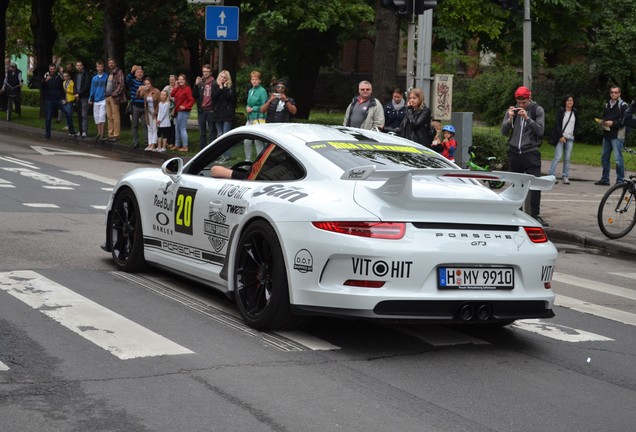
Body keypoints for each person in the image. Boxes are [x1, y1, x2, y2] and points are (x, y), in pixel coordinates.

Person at [501, 85, 547, 226]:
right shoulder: (512, 111)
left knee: (535, 185)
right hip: (515, 152)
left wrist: (527, 118)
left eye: (524, 103)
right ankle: (517, 213)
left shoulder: (537, 110)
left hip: (530, 152)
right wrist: (509, 120)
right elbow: (503, 132)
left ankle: (535, 215)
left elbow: (540, 131)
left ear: (529, 98)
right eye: (519, 103)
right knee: (516, 185)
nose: (521, 105)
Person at [594, 86, 629, 185]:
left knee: (618, 159)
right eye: (612, 92)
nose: (614, 94)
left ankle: (620, 180)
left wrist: (612, 123)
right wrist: (603, 122)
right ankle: (605, 179)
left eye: (616, 92)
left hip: (617, 136)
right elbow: (605, 116)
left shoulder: (623, 105)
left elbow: (624, 121)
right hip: (607, 134)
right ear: (610, 93)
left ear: (619, 93)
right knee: (604, 157)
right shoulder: (607, 104)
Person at [549, 94, 578, 185]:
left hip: (570, 138)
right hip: (560, 137)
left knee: (567, 158)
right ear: (565, 102)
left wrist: (574, 133)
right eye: (568, 100)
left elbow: (577, 123)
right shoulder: (561, 111)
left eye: (571, 100)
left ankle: (565, 176)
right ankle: (551, 176)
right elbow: (557, 124)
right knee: (558, 157)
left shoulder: (575, 112)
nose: (570, 102)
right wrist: (560, 136)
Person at [244, 70, 268, 160]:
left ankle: (260, 162)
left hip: (259, 118)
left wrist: (254, 108)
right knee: (246, 140)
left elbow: (264, 105)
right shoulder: (250, 90)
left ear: (259, 80)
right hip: (250, 118)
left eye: (256, 79)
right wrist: (247, 107)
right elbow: (248, 103)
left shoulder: (262, 91)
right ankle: (247, 161)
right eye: (252, 79)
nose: (254, 81)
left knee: (258, 141)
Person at [41, 64, 67, 140]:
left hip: (58, 98)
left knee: (67, 111)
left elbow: (62, 86)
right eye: (51, 69)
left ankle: (71, 129)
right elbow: (41, 85)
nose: (52, 70)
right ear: (49, 69)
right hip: (49, 99)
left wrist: (63, 98)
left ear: (55, 69)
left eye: (53, 69)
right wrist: (46, 80)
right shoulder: (46, 75)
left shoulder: (58, 76)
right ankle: (47, 134)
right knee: (48, 117)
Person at [192, 64, 216, 149]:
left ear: (210, 72)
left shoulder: (214, 83)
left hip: (210, 110)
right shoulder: (200, 82)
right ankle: (202, 150)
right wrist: (195, 85)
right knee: (202, 132)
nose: (205, 73)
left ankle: (212, 150)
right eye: (204, 71)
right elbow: (194, 95)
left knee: (212, 132)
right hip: (201, 110)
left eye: (207, 71)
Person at [170, 74, 195, 152]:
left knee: (182, 128)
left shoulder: (187, 89)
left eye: (182, 79)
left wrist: (186, 106)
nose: (181, 81)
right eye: (179, 79)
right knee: (177, 128)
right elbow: (172, 94)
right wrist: (176, 86)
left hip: (183, 112)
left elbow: (192, 100)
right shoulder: (179, 88)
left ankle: (185, 146)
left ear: (185, 80)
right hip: (178, 111)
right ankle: (177, 145)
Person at [105, 58, 126, 142]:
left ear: (115, 63)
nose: (110, 64)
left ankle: (116, 134)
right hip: (107, 96)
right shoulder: (109, 73)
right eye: (109, 63)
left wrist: (115, 93)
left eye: (112, 63)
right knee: (109, 116)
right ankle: (110, 133)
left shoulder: (119, 72)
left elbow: (121, 84)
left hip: (114, 97)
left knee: (115, 116)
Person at [137, 77, 161, 151]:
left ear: (151, 84)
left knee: (154, 128)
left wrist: (156, 112)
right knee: (149, 127)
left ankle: (153, 144)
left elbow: (159, 103)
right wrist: (139, 89)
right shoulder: (145, 91)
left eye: (148, 83)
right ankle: (149, 144)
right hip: (148, 112)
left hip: (155, 112)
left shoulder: (156, 91)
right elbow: (138, 96)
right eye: (145, 84)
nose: (147, 85)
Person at [212, 69, 237, 137]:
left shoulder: (230, 87)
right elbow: (213, 97)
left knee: (225, 135)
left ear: (227, 79)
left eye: (224, 77)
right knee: (219, 134)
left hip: (227, 114)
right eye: (221, 76)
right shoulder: (215, 86)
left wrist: (225, 88)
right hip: (218, 113)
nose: (222, 78)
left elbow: (229, 97)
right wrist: (220, 88)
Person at [127, 65, 147, 149]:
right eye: (137, 72)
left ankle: (147, 142)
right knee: (134, 125)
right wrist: (132, 71)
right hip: (135, 105)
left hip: (144, 106)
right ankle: (136, 141)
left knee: (145, 125)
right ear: (135, 74)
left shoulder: (145, 83)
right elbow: (127, 80)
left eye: (141, 72)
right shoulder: (132, 82)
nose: (139, 74)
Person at [89, 60, 108, 142]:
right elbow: (92, 89)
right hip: (96, 100)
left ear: (103, 67)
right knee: (96, 117)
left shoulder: (106, 76)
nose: (100, 68)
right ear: (96, 68)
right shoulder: (94, 78)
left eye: (101, 67)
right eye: (98, 67)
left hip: (103, 99)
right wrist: (91, 98)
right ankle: (98, 133)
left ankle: (102, 134)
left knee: (102, 116)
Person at [73, 61, 92, 137]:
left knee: (84, 114)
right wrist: (75, 93)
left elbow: (86, 85)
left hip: (84, 97)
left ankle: (84, 131)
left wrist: (79, 93)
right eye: (77, 65)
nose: (79, 67)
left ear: (83, 66)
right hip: (78, 97)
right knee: (79, 115)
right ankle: (80, 131)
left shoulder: (86, 74)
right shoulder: (76, 75)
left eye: (80, 65)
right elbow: (74, 85)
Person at [162, 74, 177, 150]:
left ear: (176, 80)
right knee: (167, 125)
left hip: (174, 108)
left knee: (173, 126)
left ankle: (172, 142)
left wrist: (170, 97)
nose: (171, 81)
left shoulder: (177, 88)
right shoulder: (167, 87)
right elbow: (163, 95)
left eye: (173, 80)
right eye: (170, 80)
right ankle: (167, 141)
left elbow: (176, 99)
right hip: (167, 108)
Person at [61, 71, 78, 136]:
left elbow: (73, 91)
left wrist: (67, 90)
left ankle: (71, 128)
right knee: (67, 114)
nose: (65, 77)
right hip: (65, 99)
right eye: (64, 76)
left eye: (66, 76)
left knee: (69, 114)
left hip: (70, 99)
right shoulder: (64, 82)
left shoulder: (71, 83)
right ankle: (69, 126)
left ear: (69, 77)